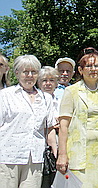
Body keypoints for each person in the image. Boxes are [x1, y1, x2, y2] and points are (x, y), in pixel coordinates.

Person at [56, 47, 98, 187]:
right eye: (88, 66)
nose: (93, 69)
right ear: (80, 70)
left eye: (96, 65)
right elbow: (64, 125)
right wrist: (62, 154)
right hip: (79, 151)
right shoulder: (72, 91)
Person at [0, 55, 56, 187]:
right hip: (8, 157)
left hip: (35, 158)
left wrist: (57, 152)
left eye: (34, 72)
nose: (30, 75)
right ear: (17, 73)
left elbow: (49, 128)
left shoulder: (46, 98)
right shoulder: (5, 95)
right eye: (26, 72)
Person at [37, 66, 60, 188]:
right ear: (38, 82)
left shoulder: (59, 100)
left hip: (59, 141)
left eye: (51, 80)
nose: (48, 83)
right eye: (44, 80)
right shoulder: (37, 100)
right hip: (44, 146)